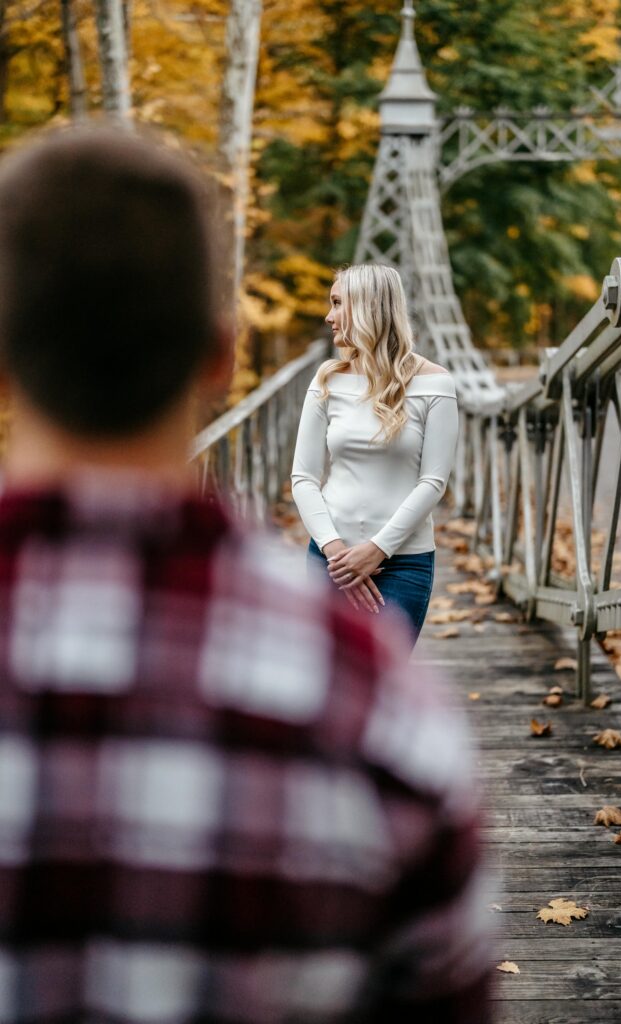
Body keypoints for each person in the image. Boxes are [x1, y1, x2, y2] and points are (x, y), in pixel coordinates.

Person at [0, 125, 491, 1023]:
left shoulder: (430, 392)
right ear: (218, 358)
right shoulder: (373, 699)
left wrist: (373, 547)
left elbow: (432, 476)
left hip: (389, 560)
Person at [291, 264, 459, 645]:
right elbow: (303, 477)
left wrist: (376, 550)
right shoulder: (327, 379)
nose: (328, 316)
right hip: (329, 560)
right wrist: (336, 552)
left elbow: (433, 482)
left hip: (404, 563)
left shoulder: (435, 383)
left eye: (337, 303)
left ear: (368, 307)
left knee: (382, 690)